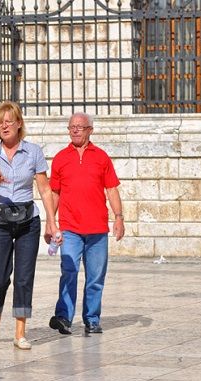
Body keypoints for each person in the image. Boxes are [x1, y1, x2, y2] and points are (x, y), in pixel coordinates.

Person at [0, 100, 57, 350]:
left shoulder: (33, 152)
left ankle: (20, 331)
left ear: (19, 123)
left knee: (24, 277)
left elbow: (44, 190)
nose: (4, 125)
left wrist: (52, 223)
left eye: (9, 121)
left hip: (27, 221)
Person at [48, 112, 124, 336]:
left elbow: (111, 189)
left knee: (95, 277)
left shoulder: (101, 157)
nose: (75, 130)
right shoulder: (61, 158)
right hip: (70, 227)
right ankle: (63, 317)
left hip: (98, 229)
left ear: (90, 130)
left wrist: (118, 218)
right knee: (68, 271)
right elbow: (54, 193)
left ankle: (91, 319)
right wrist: (50, 223)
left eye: (80, 127)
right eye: (71, 127)